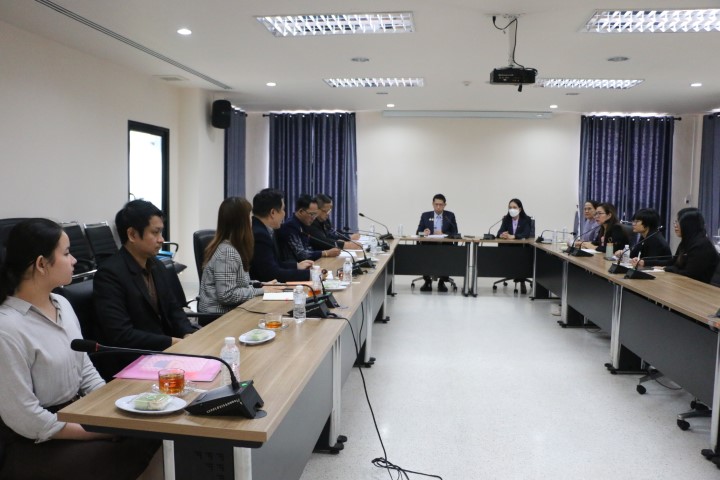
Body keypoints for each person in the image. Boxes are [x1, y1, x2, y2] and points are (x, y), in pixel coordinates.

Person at [0, 219, 158, 480]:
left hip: (76, 417)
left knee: (151, 433)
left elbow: (85, 370)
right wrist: (99, 431)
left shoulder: (61, 303)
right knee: (124, 452)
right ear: (41, 264)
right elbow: (27, 419)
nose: (74, 260)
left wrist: (113, 412)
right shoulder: (7, 328)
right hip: (34, 443)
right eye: (66, 253)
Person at [93, 200, 196, 375]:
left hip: (165, 356)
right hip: (134, 362)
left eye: (161, 232)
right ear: (132, 234)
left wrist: (187, 333)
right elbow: (121, 335)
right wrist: (171, 342)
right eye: (155, 232)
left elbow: (174, 309)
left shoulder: (157, 265)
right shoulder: (109, 275)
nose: (161, 239)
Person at [199, 197, 283, 315]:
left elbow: (239, 283)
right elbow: (227, 295)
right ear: (241, 223)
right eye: (249, 217)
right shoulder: (227, 252)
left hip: (231, 311)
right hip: (218, 317)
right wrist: (262, 290)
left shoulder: (231, 247)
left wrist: (261, 285)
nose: (251, 222)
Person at [633, 208, 719, 283]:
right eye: (676, 222)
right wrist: (645, 262)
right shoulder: (686, 242)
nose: (675, 226)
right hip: (685, 284)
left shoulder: (701, 245)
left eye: (679, 222)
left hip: (699, 289)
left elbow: (690, 274)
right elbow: (673, 261)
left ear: (689, 225)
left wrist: (666, 268)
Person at [249, 188, 313, 282]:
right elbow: (272, 274)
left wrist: (297, 266)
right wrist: (311, 274)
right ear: (273, 213)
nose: (284, 214)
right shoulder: (260, 235)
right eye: (283, 209)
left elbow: (274, 264)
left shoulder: (263, 229)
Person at [277, 194, 341, 262]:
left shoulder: (304, 223)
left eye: (315, 214)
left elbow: (309, 248)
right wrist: (325, 253)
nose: (314, 218)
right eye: (312, 214)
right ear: (301, 211)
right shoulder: (291, 226)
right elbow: (300, 254)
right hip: (295, 265)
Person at [415, 194, 459, 292]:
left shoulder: (450, 216)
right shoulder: (425, 215)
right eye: (436, 204)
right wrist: (424, 232)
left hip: (445, 245)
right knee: (424, 252)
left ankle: (442, 281)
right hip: (429, 245)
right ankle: (427, 281)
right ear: (433, 204)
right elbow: (418, 232)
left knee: (447, 253)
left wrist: (444, 234)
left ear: (445, 205)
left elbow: (455, 233)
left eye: (441, 205)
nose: (438, 207)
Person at [497, 198, 533, 294]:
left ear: (520, 209)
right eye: (510, 207)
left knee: (521, 256)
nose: (512, 209)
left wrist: (513, 236)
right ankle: (516, 275)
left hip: (521, 248)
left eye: (514, 207)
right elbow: (499, 232)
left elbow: (526, 234)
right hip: (508, 249)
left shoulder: (526, 219)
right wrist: (502, 235)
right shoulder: (506, 219)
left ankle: (522, 280)